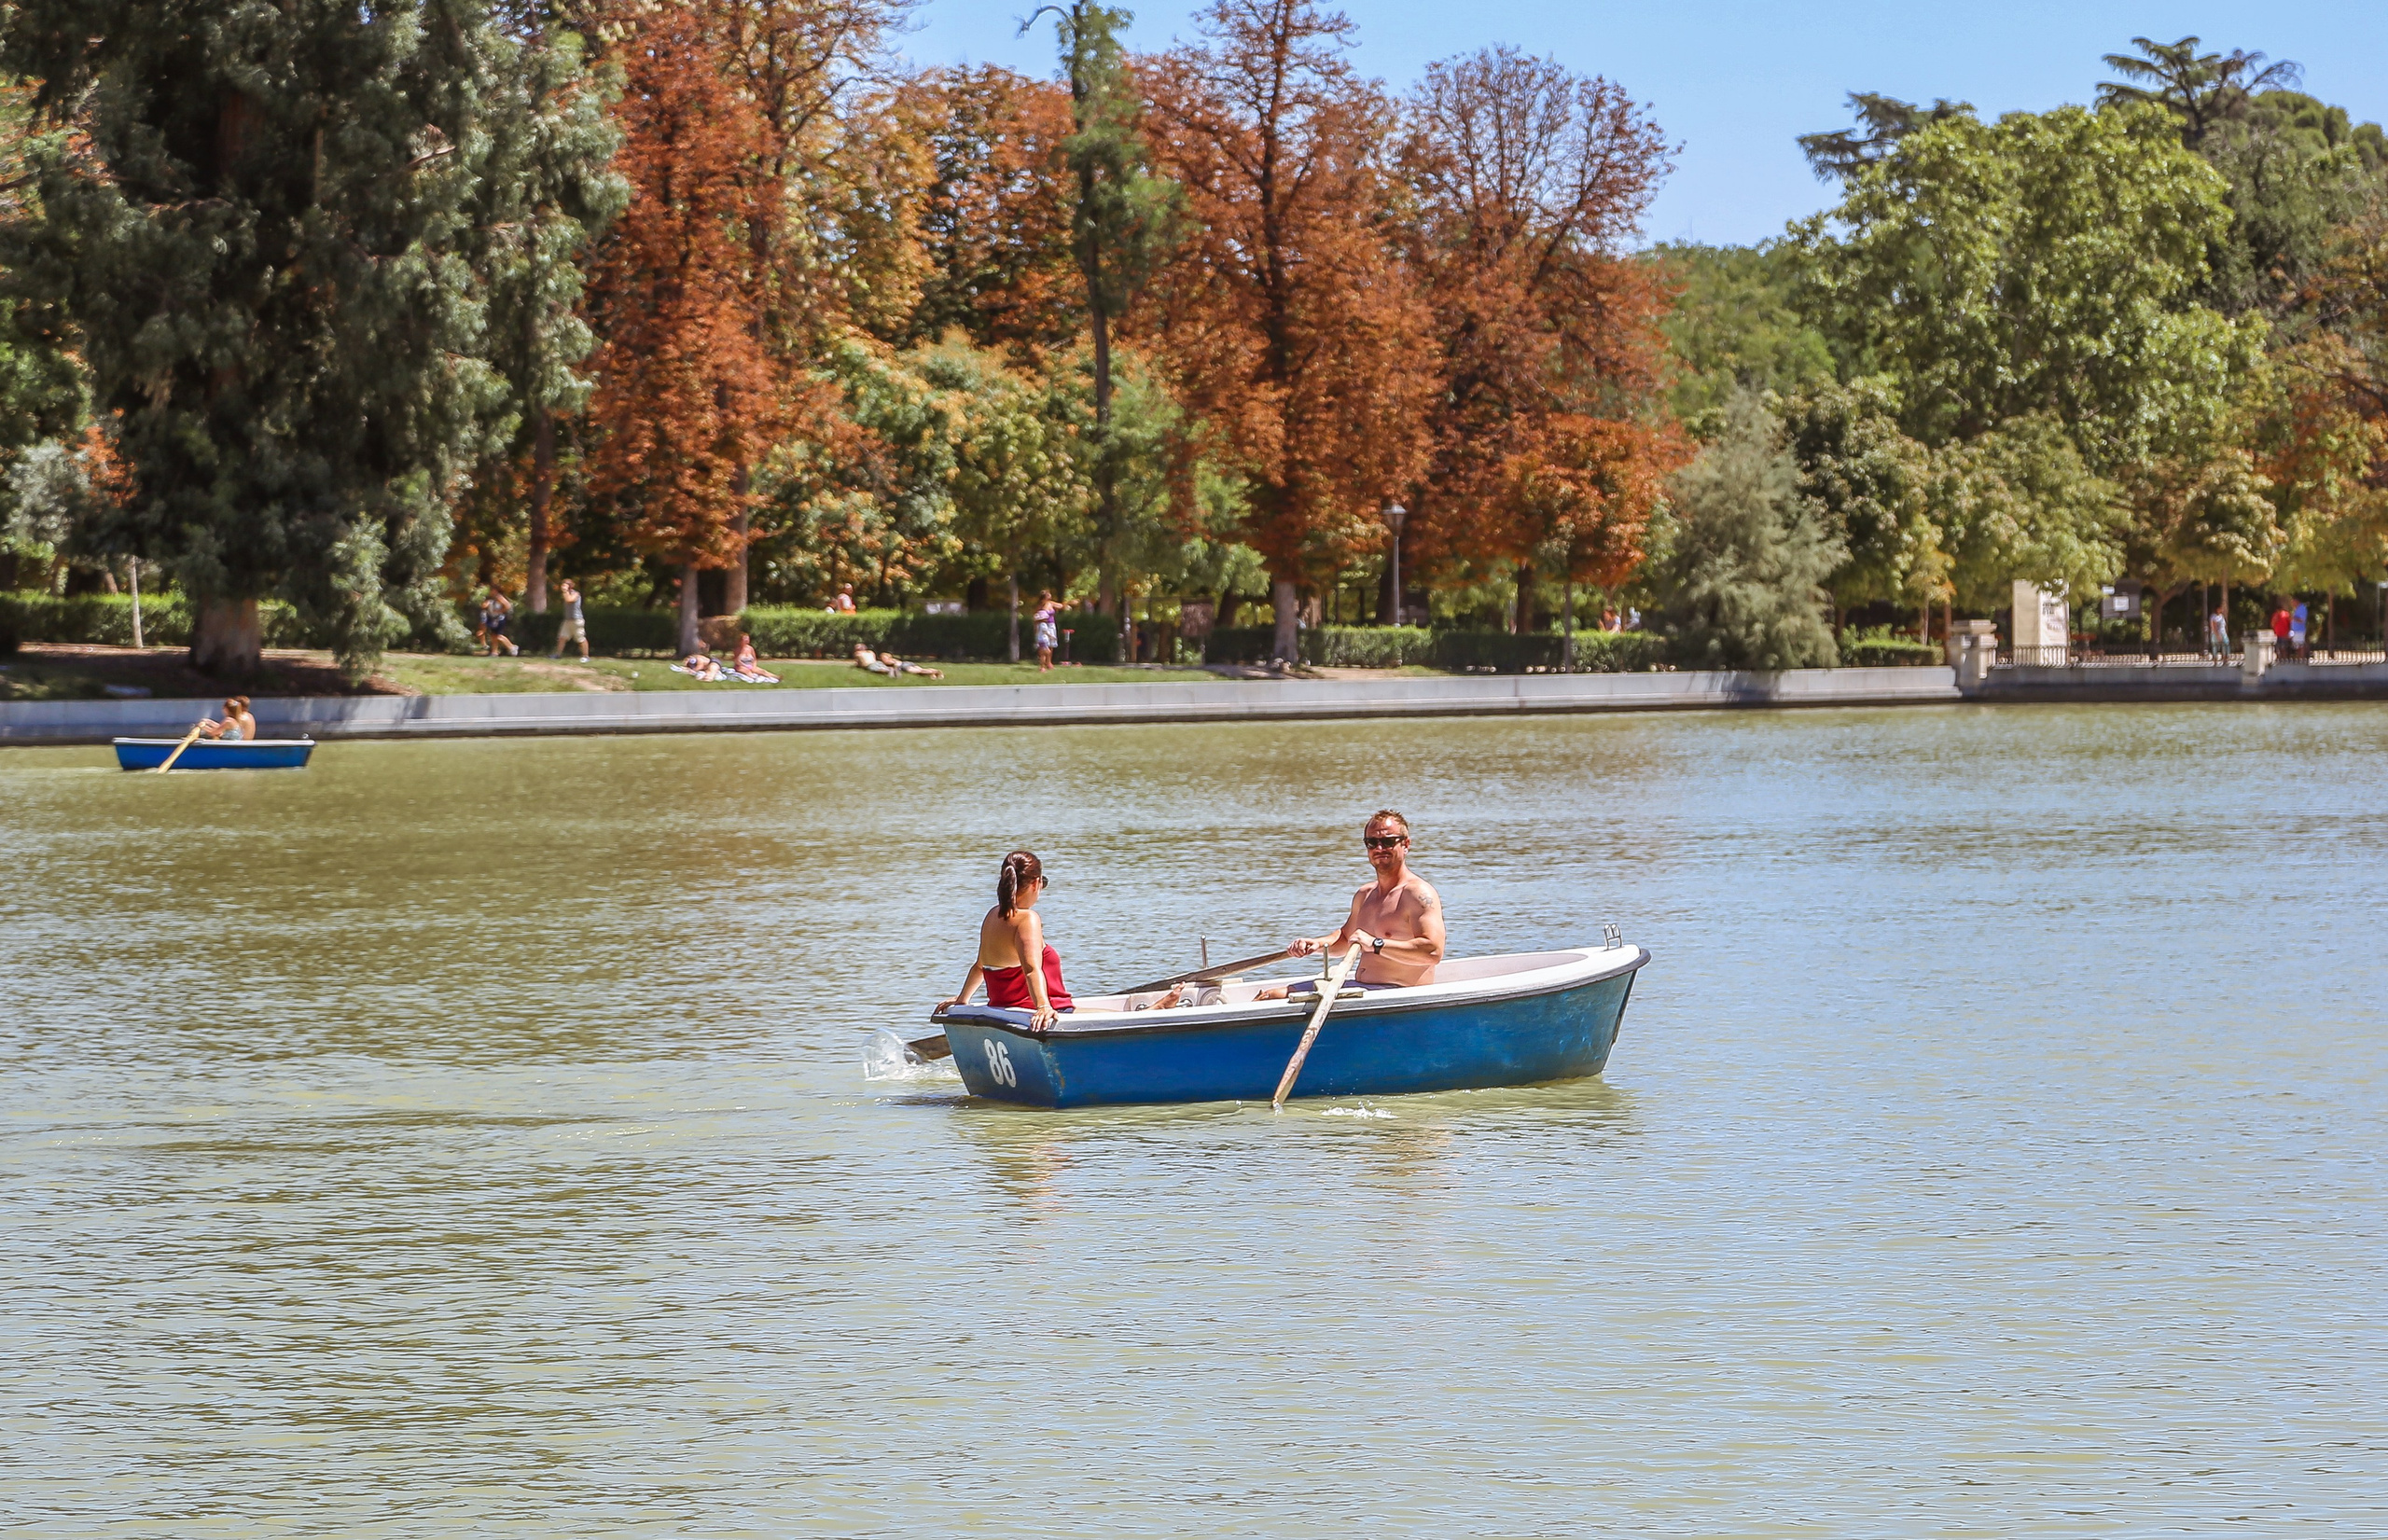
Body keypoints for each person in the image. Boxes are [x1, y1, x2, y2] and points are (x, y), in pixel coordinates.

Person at [1261, 811, 1447, 998]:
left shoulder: (1417, 894)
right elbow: (1344, 941)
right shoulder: (1365, 895)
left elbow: (1432, 951)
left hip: (1398, 994)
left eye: (1388, 841)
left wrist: (1376, 944)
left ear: (1406, 844)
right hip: (1361, 988)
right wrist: (1316, 944)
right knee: (1269, 996)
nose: (1379, 848)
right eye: (1372, 843)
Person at [937, 850, 1074, 1032]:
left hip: (1002, 1010)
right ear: (1037, 883)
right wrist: (1043, 1007)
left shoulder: (993, 915)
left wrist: (963, 1000)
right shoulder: (1028, 919)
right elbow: (1031, 969)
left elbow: (980, 966)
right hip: (1043, 1012)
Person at [551, 578, 590, 660]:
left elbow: (569, 600)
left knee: (580, 639)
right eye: (563, 585)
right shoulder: (566, 594)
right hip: (567, 620)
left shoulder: (576, 594)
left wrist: (565, 591)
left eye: (565, 585)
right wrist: (565, 592)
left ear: (570, 586)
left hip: (577, 620)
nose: (563, 587)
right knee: (562, 638)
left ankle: (586, 656)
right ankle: (557, 655)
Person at [480, 588, 519, 656]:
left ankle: (512, 647)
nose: (491, 591)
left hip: (499, 619)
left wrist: (500, 611)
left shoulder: (499, 597)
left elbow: (508, 606)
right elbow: (484, 606)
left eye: (492, 590)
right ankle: (494, 652)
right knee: (493, 636)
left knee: (498, 636)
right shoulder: (491, 599)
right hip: (493, 619)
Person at [1034, 590, 1060, 673]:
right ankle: (1042, 666)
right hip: (1042, 638)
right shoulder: (1039, 609)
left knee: (1048, 649)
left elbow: (1061, 605)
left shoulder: (1051, 603)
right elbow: (1040, 628)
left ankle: (1047, 664)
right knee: (1044, 652)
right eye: (1048, 595)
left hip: (1047, 630)